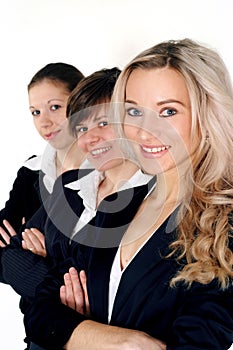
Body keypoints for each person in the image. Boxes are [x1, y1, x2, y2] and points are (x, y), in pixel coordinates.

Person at [23, 39, 233, 350]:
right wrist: (125, 342)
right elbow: (40, 312)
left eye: (168, 111)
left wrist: (77, 330)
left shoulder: (223, 224)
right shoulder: (117, 205)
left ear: (207, 114)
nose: (145, 130)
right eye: (134, 110)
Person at [2, 67, 154, 349]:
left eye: (102, 123)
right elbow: (8, 254)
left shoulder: (153, 198)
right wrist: (62, 296)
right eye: (82, 128)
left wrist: (48, 278)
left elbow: (107, 292)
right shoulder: (69, 185)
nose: (89, 138)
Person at [0, 62, 85, 262]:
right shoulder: (31, 171)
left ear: (82, 104)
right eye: (35, 112)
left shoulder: (109, 173)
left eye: (54, 107)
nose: (43, 122)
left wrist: (23, 252)